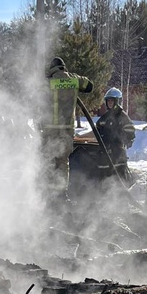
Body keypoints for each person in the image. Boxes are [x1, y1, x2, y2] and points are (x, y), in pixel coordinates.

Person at [42, 57, 94, 200]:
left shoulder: (46, 83)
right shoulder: (74, 80)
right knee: (62, 161)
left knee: (47, 161)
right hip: (66, 131)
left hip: (49, 131)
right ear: (63, 68)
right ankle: (61, 194)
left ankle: (46, 194)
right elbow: (90, 85)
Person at [95, 86, 136, 183]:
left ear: (117, 101)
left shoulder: (123, 117)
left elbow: (130, 132)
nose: (109, 103)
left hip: (118, 154)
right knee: (103, 176)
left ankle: (121, 195)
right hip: (104, 154)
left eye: (111, 101)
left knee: (119, 178)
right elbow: (97, 130)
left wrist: (124, 140)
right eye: (108, 101)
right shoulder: (105, 117)